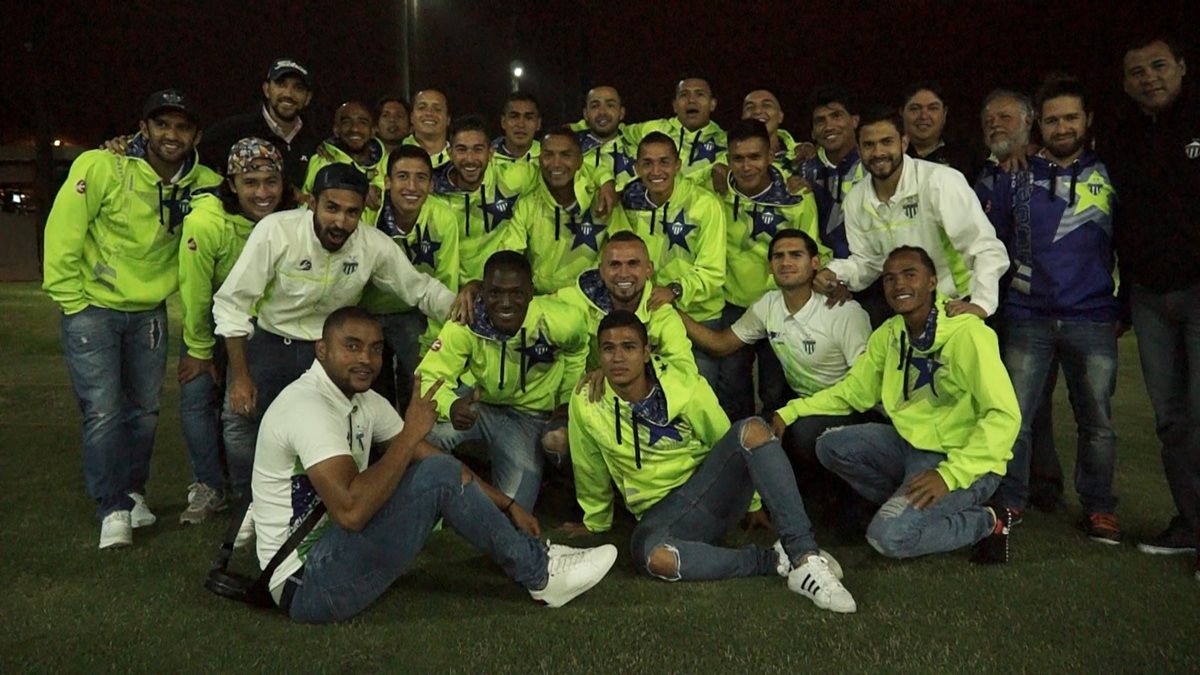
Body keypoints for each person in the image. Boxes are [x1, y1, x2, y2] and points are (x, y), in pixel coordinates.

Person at [253, 306, 617, 623]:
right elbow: (351, 512)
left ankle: (536, 558)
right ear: (322, 350)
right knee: (435, 474)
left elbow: (434, 457)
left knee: (439, 468)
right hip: (305, 586)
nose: (366, 358)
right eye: (352, 346)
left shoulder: (361, 400)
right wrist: (410, 433)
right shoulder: (308, 408)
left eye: (375, 349)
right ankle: (543, 577)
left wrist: (506, 504)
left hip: (330, 555)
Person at [568, 311, 856, 613]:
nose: (617, 357)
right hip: (661, 515)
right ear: (598, 354)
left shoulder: (683, 384)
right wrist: (596, 520)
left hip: (710, 491)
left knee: (753, 428)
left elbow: (724, 438)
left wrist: (754, 503)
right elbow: (589, 465)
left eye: (628, 347)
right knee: (654, 557)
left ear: (645, 352)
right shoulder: (587, 399)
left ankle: (805, 555)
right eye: (608, 348)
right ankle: (774, 561)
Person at [43, 89, 221, 548]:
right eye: (161, 125)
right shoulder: (102, 165)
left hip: (149, 312)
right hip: (94, 309)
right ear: (143, 129)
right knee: (103, 411)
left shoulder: (202, 182)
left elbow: (237, 205)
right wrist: (73, 302)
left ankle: (133, 491)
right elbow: (63, 231)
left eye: (182, 127)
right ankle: (112, 508)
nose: (171, 135)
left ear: (196, 135)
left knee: (144, 412)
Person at [213, 163, 456, 495]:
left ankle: (320, 501)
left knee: (332, 428)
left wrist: (468, 307)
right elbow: (233, 304)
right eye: (332, 208)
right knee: (242, 420)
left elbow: (420, 289)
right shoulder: (276, 231)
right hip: (271, 342)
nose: (341, 221)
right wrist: (240, 375)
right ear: (312, 202)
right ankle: (248, 505)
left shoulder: (372, 244)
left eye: (352, 212)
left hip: (328, 352)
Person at [780, 246, 1020, 564]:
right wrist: (788, 412)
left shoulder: (968, 334)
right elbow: (854, 392)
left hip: (962, 458)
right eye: (890, 279)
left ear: (933, 282)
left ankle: (988, 520)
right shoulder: (890, 334)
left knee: (888, 538)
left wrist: (950, 475)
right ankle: (907, 504)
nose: (899, 285)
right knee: (830, 445)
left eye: (910, 275)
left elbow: (1003, 415)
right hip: (911, 445)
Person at [987, 75, 1124, 543]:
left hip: (1093, 316)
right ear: (1038, 126)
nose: (1062, 126)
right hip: (1029, 316)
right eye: (1052, 119)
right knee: (1016, 419)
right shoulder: (1014, 174)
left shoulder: (1110, 171)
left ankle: (1100, 508)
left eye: (1070, 117)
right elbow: (996, 245)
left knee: (1098, 423)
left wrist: (1119, 305)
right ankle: (1011, 502)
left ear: (1087, 120)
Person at [1105, 35, 1200, 568]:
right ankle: (1189, 522)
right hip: (1149, 295)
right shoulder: (1122, 136)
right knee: (1171, 419)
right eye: (1137, 71)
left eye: (1159, 66)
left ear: (1182, 67)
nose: (1149, 78)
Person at [177, 138, 295, 522]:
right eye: (250, 182)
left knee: (244, 407)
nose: (262, 193)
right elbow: (195, 290)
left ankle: (261, 490)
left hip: (263, 324)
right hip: (213, 318)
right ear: (231, 184)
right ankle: (209, 486)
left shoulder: (292, 217)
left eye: (270, 181)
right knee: (197, 392)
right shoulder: (206, 221)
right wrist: (199, 349)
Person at [417, 251, 590, 510]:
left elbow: (578, 349)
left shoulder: (561, 320)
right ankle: (429, 506)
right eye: (495, 293)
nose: (506, 303)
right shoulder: (466, 322)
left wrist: (565, 401)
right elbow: (428, 377)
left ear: (531, 292)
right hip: (479, 404)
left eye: (516, 293)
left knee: (513, 511)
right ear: (481, 292)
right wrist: (450, 405)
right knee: (419, 436)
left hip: (528, 419)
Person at [684, 229, 871, 459]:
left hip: (848, 408)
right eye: (778, 256)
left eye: (795, 255)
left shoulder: (844, 311)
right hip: (802, 404)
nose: (786, 262)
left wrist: (792, 412)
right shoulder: (768, 305)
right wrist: (674, 312)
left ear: (815, 262)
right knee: (752, 432)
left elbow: (862, 390)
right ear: (770, 267)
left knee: (799, 434)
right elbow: (721, 344)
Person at [815, 106, 1009, 322]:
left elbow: (986, 248)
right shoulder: (855, 200)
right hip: (907, 312)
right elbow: (868, 263)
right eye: (869, 145)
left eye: (887, 142)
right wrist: (834, 273)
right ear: (859, 151)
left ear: (904, 144)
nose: (878, 152)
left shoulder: (940, 181)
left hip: (958, 305)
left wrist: (981, 303)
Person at [973, 88, 1063, 514]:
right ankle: (1009, 486)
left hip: (1029, 303)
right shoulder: (985, 173)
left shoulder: (1041, 167)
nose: (996, 124)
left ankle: (1039, 486)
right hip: (990, 302)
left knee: (1029, 403)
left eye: (1006, 117)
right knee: (1001, 398)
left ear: (1029, 122)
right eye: (989, 118)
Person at [713, 120, 824, 420]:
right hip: (734, 304)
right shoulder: (715, 192)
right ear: (727, 159)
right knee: (731, 387)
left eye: (755, 157)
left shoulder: (797, 196)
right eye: (738, 158)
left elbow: (812, 249)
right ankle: (740, 449)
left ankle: (776, 453)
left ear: (770, 157)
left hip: (780, 305)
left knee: (776, 391)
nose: (746, 166)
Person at [611, 132, 726, 389]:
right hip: (647, 315)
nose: (656, 170)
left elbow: (714, 271)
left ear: (677, 164)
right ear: (637, 167)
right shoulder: (630, 201)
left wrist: (674, 291)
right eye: (647, 163)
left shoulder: (704, 205)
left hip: (698, 316)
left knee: (698, 396)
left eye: (664, 162)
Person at [359, 145, 460, 413]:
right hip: (364, 312)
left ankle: (413, 445)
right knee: (369, 389)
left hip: (412, 313)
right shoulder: (366, 212)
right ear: (387, 181)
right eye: (403, 177)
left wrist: (436, 342)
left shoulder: (443, 218)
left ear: (431, 183)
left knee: (417, 383)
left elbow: (446, 280)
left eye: (421, 178)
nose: (411, 186)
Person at [555, 231, 698, 376]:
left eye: (633, 264)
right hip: (584, 391)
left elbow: (685, 371)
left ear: (649, 269)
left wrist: (614, 373)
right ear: (602, 271)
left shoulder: (662, 314)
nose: (623, 273)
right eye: (615, 264)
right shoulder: (572, 301)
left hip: (640, 392)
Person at [503, 127, 611, 294]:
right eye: (548, 155)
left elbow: (623, 247)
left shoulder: (602, 200)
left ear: (580, 161)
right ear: (539, 159)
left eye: (566, 155)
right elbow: (510, 258)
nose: (556, 163)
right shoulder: (527, 206)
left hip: (591, 298)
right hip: (540, 301)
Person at [202, 58, 320, 190]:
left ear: (308, 98)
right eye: (281, 84)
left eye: (298, 88)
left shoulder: (318, 142)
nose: (288, 93)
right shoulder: (230, 132)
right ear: (267, 89)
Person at [624, 76, 728, 188]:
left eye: (700, 94)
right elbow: (614, 136)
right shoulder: (653, 128)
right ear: (674, 106)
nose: (691, 100)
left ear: (712, 104)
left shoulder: (725, 143)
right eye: (684, 95)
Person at [303, 101, 387, 225]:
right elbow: (305, 209)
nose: (355, 128)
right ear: (336, 130)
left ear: (374, 130)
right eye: (346, 122)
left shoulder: (390, 165)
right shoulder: (321, 162)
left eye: (362, 122)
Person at [899, 82, 971, 177]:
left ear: (944, 113)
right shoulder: (892, 154)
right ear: (901, 113)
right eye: (915, 109)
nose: (924, 116)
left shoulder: (965, 158)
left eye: (933, 108)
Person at [577, 85, 638, 190]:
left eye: (610, 105)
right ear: (585, 114)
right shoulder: (571, 150)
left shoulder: (636, 153)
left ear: (622, 113)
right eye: (595, 106)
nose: (602, 112)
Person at [492, 91, 543, 186]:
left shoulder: (548, 158)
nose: (521, 124)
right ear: (503, 122)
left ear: (538, 124)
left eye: (529, 118)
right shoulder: (486, 159)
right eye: (514, 116)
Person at [741, 89, 799, 172]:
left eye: (766, 105)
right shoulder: (725, 160)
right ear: (743, 118)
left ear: (780, 116)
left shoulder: (804, 154)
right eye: (750, 107)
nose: (757, 111)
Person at [404, 89, 452, 168]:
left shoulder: (458, 158)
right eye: (422, 108)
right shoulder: (395, 153)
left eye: (437, 109)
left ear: (448, 119)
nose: (429, 113)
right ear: (411, 117)